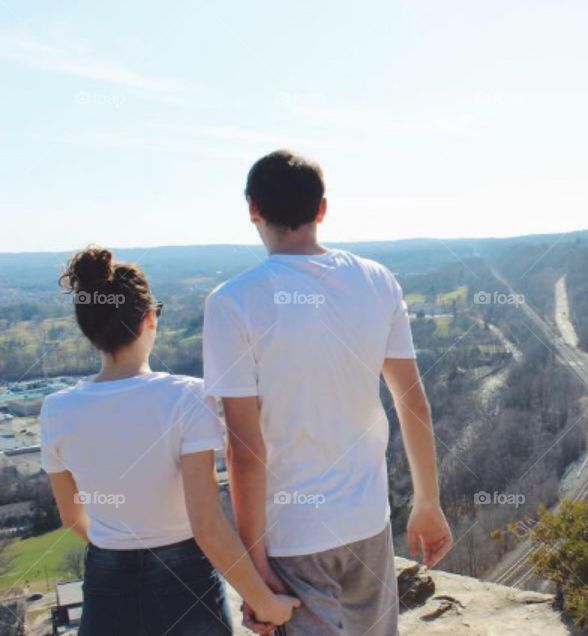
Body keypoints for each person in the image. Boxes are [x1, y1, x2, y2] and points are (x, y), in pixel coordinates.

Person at [203, 149, 453, 635]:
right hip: (368, 523)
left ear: (253, 208)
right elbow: (412, 402)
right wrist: (427, 503)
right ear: (321, 209)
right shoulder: (377, 280)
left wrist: (255, 568)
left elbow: (245, 450)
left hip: (292, 537)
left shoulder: (232, 303)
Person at [41, 247, 300, 635]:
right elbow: (207, 525)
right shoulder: (187, 397)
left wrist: (120, 546)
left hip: (106, 585)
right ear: (149, 319)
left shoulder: (56, 409)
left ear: (89, 329)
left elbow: (71, 515)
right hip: (186, 582)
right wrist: (265, 602)